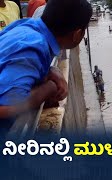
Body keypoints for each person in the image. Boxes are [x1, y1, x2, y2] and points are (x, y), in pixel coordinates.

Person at [0, 0, 92, 131]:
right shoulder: (33, 47)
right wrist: (49, 88)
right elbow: (6, 107)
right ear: (77, 34)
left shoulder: (25, 27)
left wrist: (51, 71)